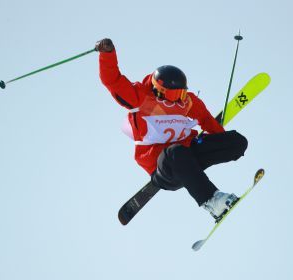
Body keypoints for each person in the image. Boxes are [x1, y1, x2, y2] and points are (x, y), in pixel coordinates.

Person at [96, 38, 248, 221]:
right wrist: (108, 54)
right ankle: (212, 201)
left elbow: (206, 119)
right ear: (159, 90)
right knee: (176, 152)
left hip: (189, 154)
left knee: (238, 141)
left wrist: (220, 142)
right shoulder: (140, 98)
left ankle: (193, 168)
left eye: (182, 93)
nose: (178, 99)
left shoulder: (187, 101)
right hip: (165, 168)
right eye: (174, 95)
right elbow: (112, 81)